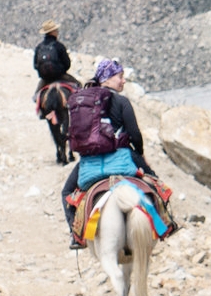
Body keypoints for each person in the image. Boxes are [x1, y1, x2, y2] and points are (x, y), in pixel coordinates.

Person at [60, 58, 153, 248]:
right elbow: (134, 134)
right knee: (156, 185)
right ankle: (165, 223)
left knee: (67, 192)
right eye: (120, 77)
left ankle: (76, 235)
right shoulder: (122, 101)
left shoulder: (82, 100)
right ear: (108, 78)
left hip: (89, 164)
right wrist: (140, 155)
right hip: (121, 158)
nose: (123, 81)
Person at [33, 21, 73, 164]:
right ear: (53, 32)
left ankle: (43, 112)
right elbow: (67, 64)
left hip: (45, 80)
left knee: (36, 96)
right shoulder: (59, 46)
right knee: (78, 87)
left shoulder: (39, 47)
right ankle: (70, 149)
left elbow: (35, 66)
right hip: (60, 77)